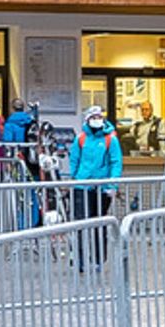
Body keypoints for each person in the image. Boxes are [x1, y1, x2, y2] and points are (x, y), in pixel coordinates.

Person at [69, 104, 122, 269]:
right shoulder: (80, 139)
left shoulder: (110, 139)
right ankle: (80, 259)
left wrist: (112, 185)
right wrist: (76, 178)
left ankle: (98, 260)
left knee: (99, 224)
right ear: (87, 120)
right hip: (82, 186)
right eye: (93, 117)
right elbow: (74, 159)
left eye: (99, 117)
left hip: (102, 187)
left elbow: (116, 162)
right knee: (80, 224)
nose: (97, 120)